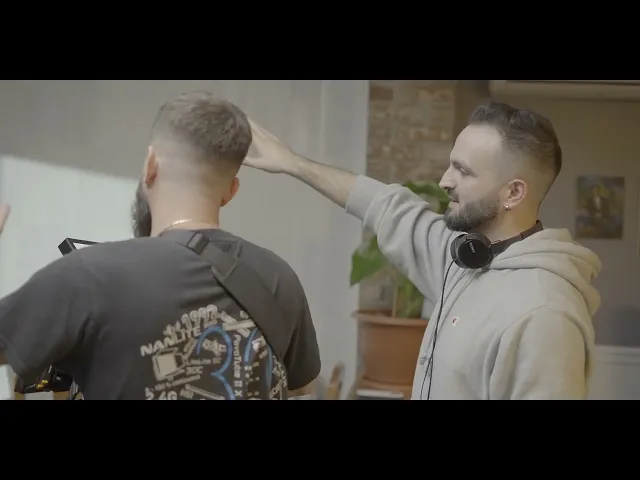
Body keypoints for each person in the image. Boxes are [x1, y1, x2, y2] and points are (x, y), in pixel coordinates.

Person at [244, 100, 602, 400]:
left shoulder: (545, 315)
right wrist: (294, 164)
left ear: (513, 193)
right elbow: (384, 205)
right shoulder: (464, 260)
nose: (445, 181)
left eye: (463, 171)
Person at [0, 92, 321, 400]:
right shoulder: (279, 278)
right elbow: (300, 389)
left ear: (150, 165)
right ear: (231, 191)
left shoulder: (89, 275)